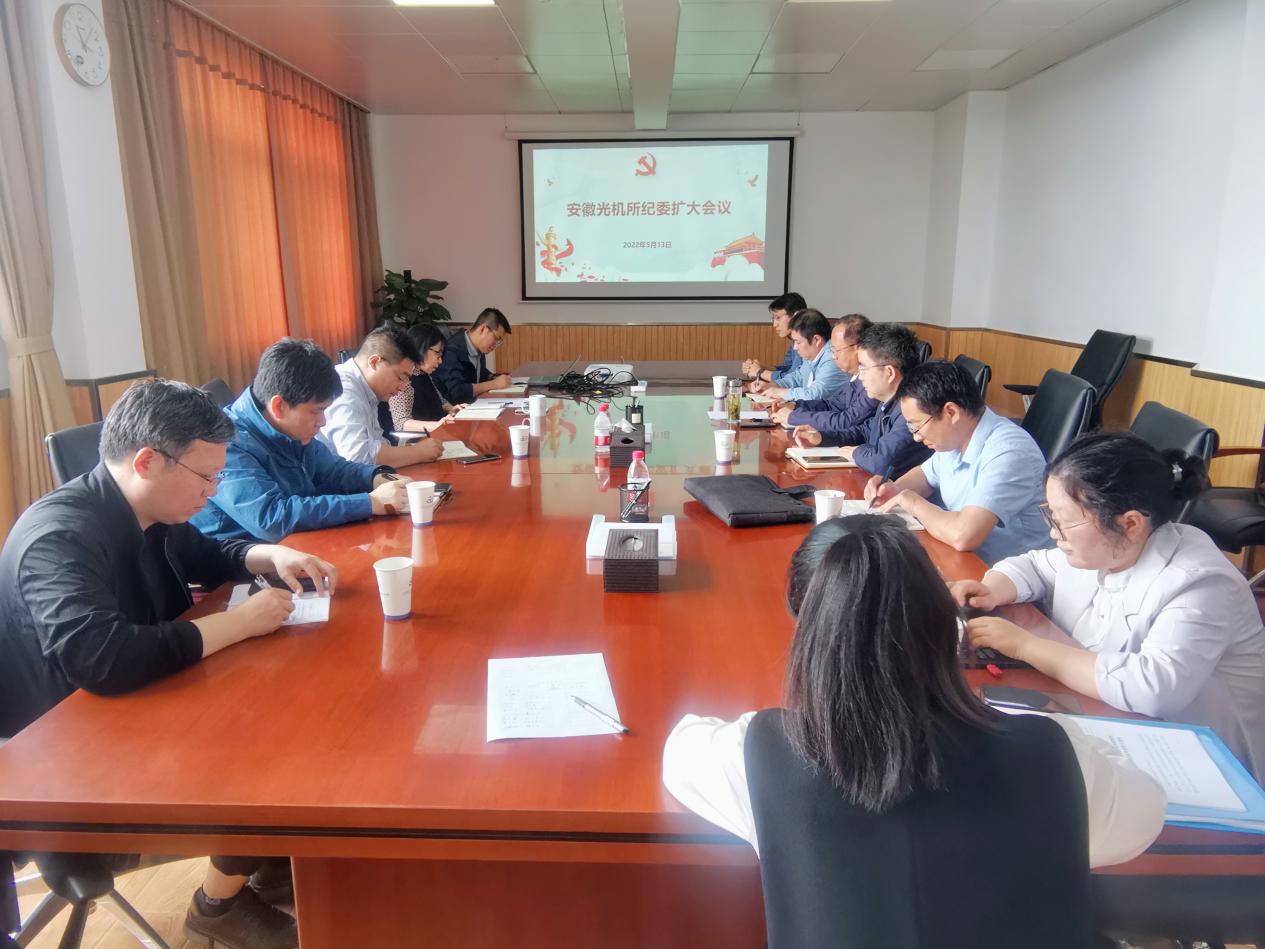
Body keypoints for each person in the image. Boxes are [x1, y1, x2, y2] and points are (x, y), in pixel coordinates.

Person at [663, 516, 1165, 949]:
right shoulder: (1052, 751)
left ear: (805, 625)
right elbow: (1145, 816)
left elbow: (680, 749)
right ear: (944, 619)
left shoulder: (758, 754)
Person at [0, 379, 339, 949]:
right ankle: (219, 904)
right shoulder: (57, 537)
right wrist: (238, 623)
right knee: (279, 746)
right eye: (206, 476)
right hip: (67, 752)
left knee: (299, 701)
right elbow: (102, 658)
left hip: (138, 706)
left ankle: (265, 856)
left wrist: (271, 555)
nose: (214, 491)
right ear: (147, 461)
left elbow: (211, 553)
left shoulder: (148, 509)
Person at [953, 431, 1265, 777]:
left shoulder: (1200, 582)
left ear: (1129, 523)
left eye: (1063, 521)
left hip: (1203, 765)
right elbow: (1034, 565)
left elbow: (1153, 687)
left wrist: (1025, 646)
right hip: (1115, 724)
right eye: (1051, 516)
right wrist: (992, 589)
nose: (1053, 533)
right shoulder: (1105, 548)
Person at [191, 338, 415, 543]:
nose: (323, 422)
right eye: (316, 411)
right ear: (279, 406)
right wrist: (371, 502)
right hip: (245, 562)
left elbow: (332, 470)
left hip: (299, 546)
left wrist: (378, 477)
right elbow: (272, 518)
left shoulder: (290, 429)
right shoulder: (225, 445)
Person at [862, 358, 1051, 565]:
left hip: (1008, 573)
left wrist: (911, 501)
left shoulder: (1009, 451)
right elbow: (925, 476)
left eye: (916, 426)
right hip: (965, 559)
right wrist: (894, 489)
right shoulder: (956, 436)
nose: (915, 437)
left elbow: (964, 535)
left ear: (951, 412)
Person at [790, 322, 930, 478]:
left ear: (889, 373)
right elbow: (864, 431)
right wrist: (822, 437)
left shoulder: (912, 410)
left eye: (864, 368)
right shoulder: (887, 400)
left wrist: (856, 452)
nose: (860, 376)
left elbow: (881, 462)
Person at [318, 324, 444, 467]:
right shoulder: (344, 390)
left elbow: (378, 441)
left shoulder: (368, 390)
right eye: (401, 378)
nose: (402, 387)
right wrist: (418, 452)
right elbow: (359, 457)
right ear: (374, 362)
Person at [769, 314, 878, 431]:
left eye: (836, 350)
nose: (833, 356)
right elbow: (832, 404)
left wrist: (794, 417)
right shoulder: (857, 378)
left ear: (859, 348)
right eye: (832, 350)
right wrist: (796, 405)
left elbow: (845, 421)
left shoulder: (873, 382)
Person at [750, 309, 846, 403]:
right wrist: (774, 385)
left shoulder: (833, 358)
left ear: (816, 340)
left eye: (798, 342)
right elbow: (798, 377)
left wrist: (779, 392)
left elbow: (814, 395)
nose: (795, 348)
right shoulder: (812, 354)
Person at [389, 324, 465, 432]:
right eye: (438, 353)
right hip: (420, 438)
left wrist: (452, 409)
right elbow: (401, 423)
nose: (440, 361)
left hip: (438, 432)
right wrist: (437, 425)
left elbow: (441, 401)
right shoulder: (404, 377)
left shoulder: (423, 373)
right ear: (421, 347)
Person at [434, 307, 514, 404]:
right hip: (455, 409)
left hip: (475, 405)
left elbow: (480, 375)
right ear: (483, 329)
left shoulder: (479, 348)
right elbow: (457, 392)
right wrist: (493, 384)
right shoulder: (451, 351)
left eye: (499, 342)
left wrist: (493, 377)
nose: (496, 345)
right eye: (496, 339)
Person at [743, 292, 807, 384]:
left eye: (778, 318)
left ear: (796, 316)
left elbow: (794, 379)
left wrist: (760, 372)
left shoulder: (806, 340)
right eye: (773, 319)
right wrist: (761, 366)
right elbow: (787, 368)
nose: (774, 325)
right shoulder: (794, 339)